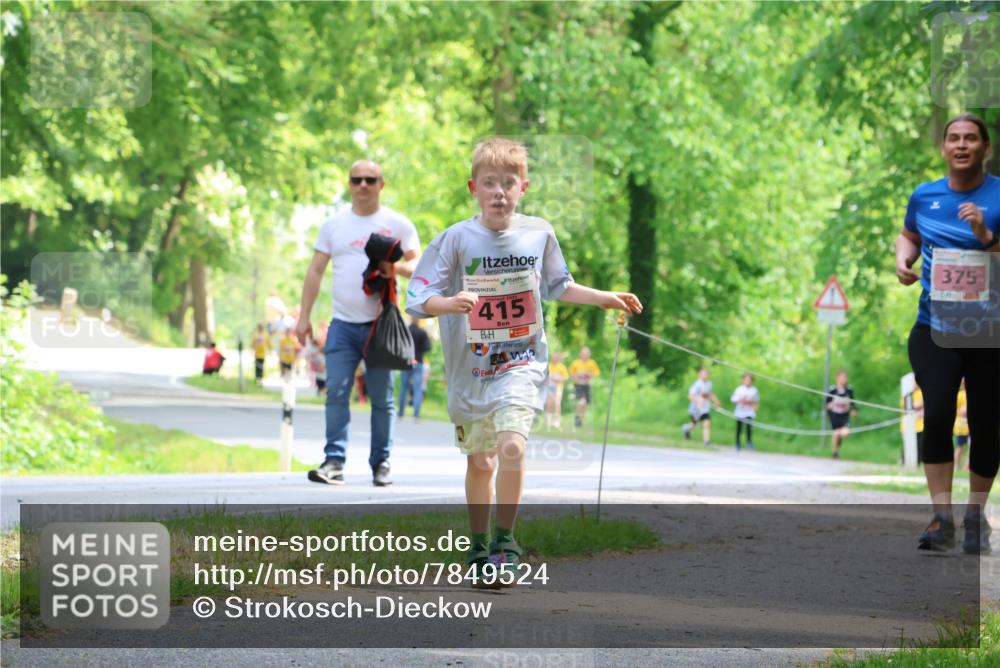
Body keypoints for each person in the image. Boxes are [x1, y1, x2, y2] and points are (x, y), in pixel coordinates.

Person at [405, 138, 642, 583]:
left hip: (521, 361)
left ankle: (506, 543)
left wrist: (604, 298)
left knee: (512, 445)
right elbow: (417, 295)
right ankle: (478, 546)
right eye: (489, 183)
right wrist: (450, 303)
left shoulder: (538, 234)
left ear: (524, 187)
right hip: (471, 370)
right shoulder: (456, 239)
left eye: (508, 183)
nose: (499, 192)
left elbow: (559, 284)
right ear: (474, 188)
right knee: (481, 462)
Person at [895, 112, 1000, 553]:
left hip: (990, 332)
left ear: (985, 148)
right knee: (936, 413)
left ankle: (976, 515)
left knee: (986, 423)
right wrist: (903, 260)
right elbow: (909, 235)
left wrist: (985, 234)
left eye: (970, 138)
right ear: (943, 148)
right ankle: (942, 517)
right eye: (953, 138)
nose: (961, 145)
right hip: (934, 327)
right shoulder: (925, 196)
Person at [297, 160, 421, 487]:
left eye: (370, 179)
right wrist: (304, 317)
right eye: (356, 180)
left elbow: (420, 266)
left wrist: (392, 266)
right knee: (336, 391)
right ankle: (334, 461)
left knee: (382, 398)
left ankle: (381, 463)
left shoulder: (398, 224)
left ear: (382, 184)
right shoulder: (334, 225)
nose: (363, 185)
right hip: (343, 325)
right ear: (349, 184)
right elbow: (315, 271)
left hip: (381, 326)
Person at [398, 317, 432, 419]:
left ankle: (401, 412)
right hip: (418, 361)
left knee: (404, 387)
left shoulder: (405, 331)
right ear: (418, 320)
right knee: (418, 388)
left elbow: (399, 345)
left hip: (406, 361)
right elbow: (428, 347)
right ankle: (416, 413)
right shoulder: (422, 332)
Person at [682, 366, 721, 447]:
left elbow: (709, 394)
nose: (705, 375)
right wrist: (698, 402)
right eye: (703, 373)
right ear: (699, 375)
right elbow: (690, 396)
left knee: (707, 423)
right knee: (693, 424)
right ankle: (686, 429)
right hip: (696, 408)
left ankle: (706, 441)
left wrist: (716, 401)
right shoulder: (697, 384)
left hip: (705, 408)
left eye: (707, 373)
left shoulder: (709, 383)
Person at [826, 370, 856, 460]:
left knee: (845, 433)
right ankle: (835, 453)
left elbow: (852, 401)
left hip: (844, 416)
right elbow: (827, 404)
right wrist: (829, 406)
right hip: (834, 416)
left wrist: (853, 409)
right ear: (837, 378)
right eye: (841, 378)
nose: (843, 380)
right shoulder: (832, 390)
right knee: (836, 433)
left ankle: (838, 442)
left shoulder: (849, 389)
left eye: (845, 378)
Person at [568, 346, 600, 429]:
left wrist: (589, 374)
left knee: (585, 404)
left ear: (589, 354)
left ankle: (580, 420)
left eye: (586, 353)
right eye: (583, 353)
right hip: (578, 385)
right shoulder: (576, 363)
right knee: (582, 401)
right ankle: (577, 417)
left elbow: (597, 373)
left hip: (587, 385)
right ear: (580, 354)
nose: (585, 355)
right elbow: (571, 372)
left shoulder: (592, 363)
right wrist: (577, 375)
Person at [730, 373, 760, 451]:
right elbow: (733, 400)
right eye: (746, 379)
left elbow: (756, 401)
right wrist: (741, 399)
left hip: (749, 412)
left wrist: (755, 408)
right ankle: (738, 443)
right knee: (739, 428)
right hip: (740, 412)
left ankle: (749, 442)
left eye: (749, 380)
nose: (748, 381)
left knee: (749, 428)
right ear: (743, 380)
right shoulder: (739, 389)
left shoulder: (754, 390)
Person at [899, 383, 925, 463]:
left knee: (920, 444)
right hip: (908, 425)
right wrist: (919, 404)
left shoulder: (922, 392)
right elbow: (908, 405)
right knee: (908, 445)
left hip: (921, 425)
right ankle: (903, 461)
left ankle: (918, 462)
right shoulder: (907, 394)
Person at [545, 352, 570, 430]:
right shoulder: (548, 366)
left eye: (556, 357)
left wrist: (558, 378)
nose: (554, 359)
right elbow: (545, 376)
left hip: (558, 387)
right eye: (553, 357)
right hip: (549, 387)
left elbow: (566, 377)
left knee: (557, 403)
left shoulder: (562, 367)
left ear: (558, 358)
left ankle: (557, 421)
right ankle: (548, 420)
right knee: (549, 403)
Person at [953, 380, 970, 472]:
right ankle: (956, 466)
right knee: (960, 447)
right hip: (961, 426)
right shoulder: (959, 395)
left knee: (966, 447)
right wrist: (962, 411)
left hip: (968, 426)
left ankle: (966, 467)